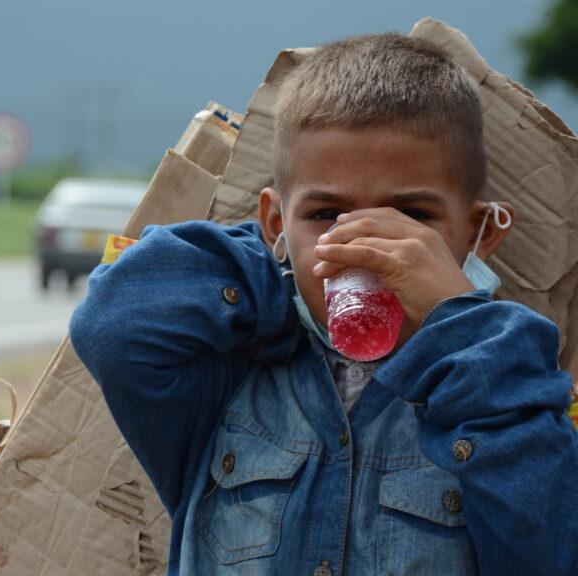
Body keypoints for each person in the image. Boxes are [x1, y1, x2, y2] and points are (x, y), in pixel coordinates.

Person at [68, 32, 578, 576]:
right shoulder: (229, 376)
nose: (369, 245)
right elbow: (113, 321)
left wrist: (455, 318)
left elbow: (550, 551)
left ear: (478, 232)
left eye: (414, 217)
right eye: (326, 213)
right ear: (274, 223)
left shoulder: (510, 391)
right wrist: (283, 279)